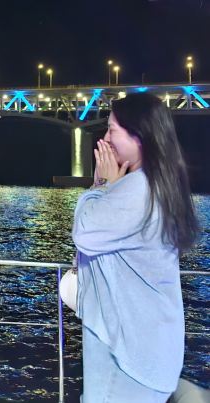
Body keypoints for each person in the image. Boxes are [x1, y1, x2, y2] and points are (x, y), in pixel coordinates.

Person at [72, 93, 200, 403]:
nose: (104, 138)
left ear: (139, 137)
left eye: (112, 129)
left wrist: (101, 186)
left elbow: (85, 232)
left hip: (127, 359)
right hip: (150, 352)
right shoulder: (160, 185)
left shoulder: (138, 190)